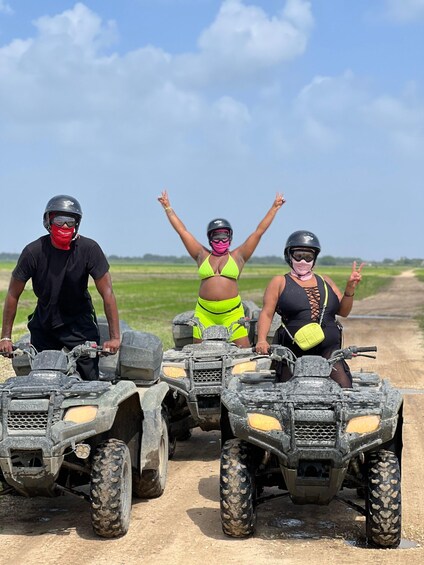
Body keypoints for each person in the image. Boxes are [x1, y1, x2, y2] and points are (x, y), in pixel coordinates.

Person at [0, 195, 121, 380]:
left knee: (89, 382)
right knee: (42, 380)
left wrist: (114, 337)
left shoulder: (89, 249)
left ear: (77, 224)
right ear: (48, 221)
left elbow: (108, 293)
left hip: (80, 324)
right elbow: (13, 294)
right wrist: (6, 337)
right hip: (45, 324)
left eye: (70, 221)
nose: (65, 226)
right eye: (59, 220)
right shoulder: (33, 252)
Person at [158, 189, 285, 347]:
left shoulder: (239, 256)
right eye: (216, 236)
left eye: (224, 236)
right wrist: (167, 207)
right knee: (199, 354)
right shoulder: (201, 255)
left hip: (232, 314)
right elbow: (182, 232)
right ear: (210, 238)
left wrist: (274, 208)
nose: (220, 240)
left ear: (230, 237)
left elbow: (258, 232)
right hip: (204, 313)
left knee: (243, 352)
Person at [255, 230, 364, 387]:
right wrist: (261, 340)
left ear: (314, 259)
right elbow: (266, 313)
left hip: (329, 351)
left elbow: (344, 312)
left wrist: (350, 289)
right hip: (292, 352)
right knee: (285, 395)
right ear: (289, 256)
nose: (303, 261)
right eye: (299, 255)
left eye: (308, 257)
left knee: (344, 389)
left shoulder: (325, 280)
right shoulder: (279, 282)